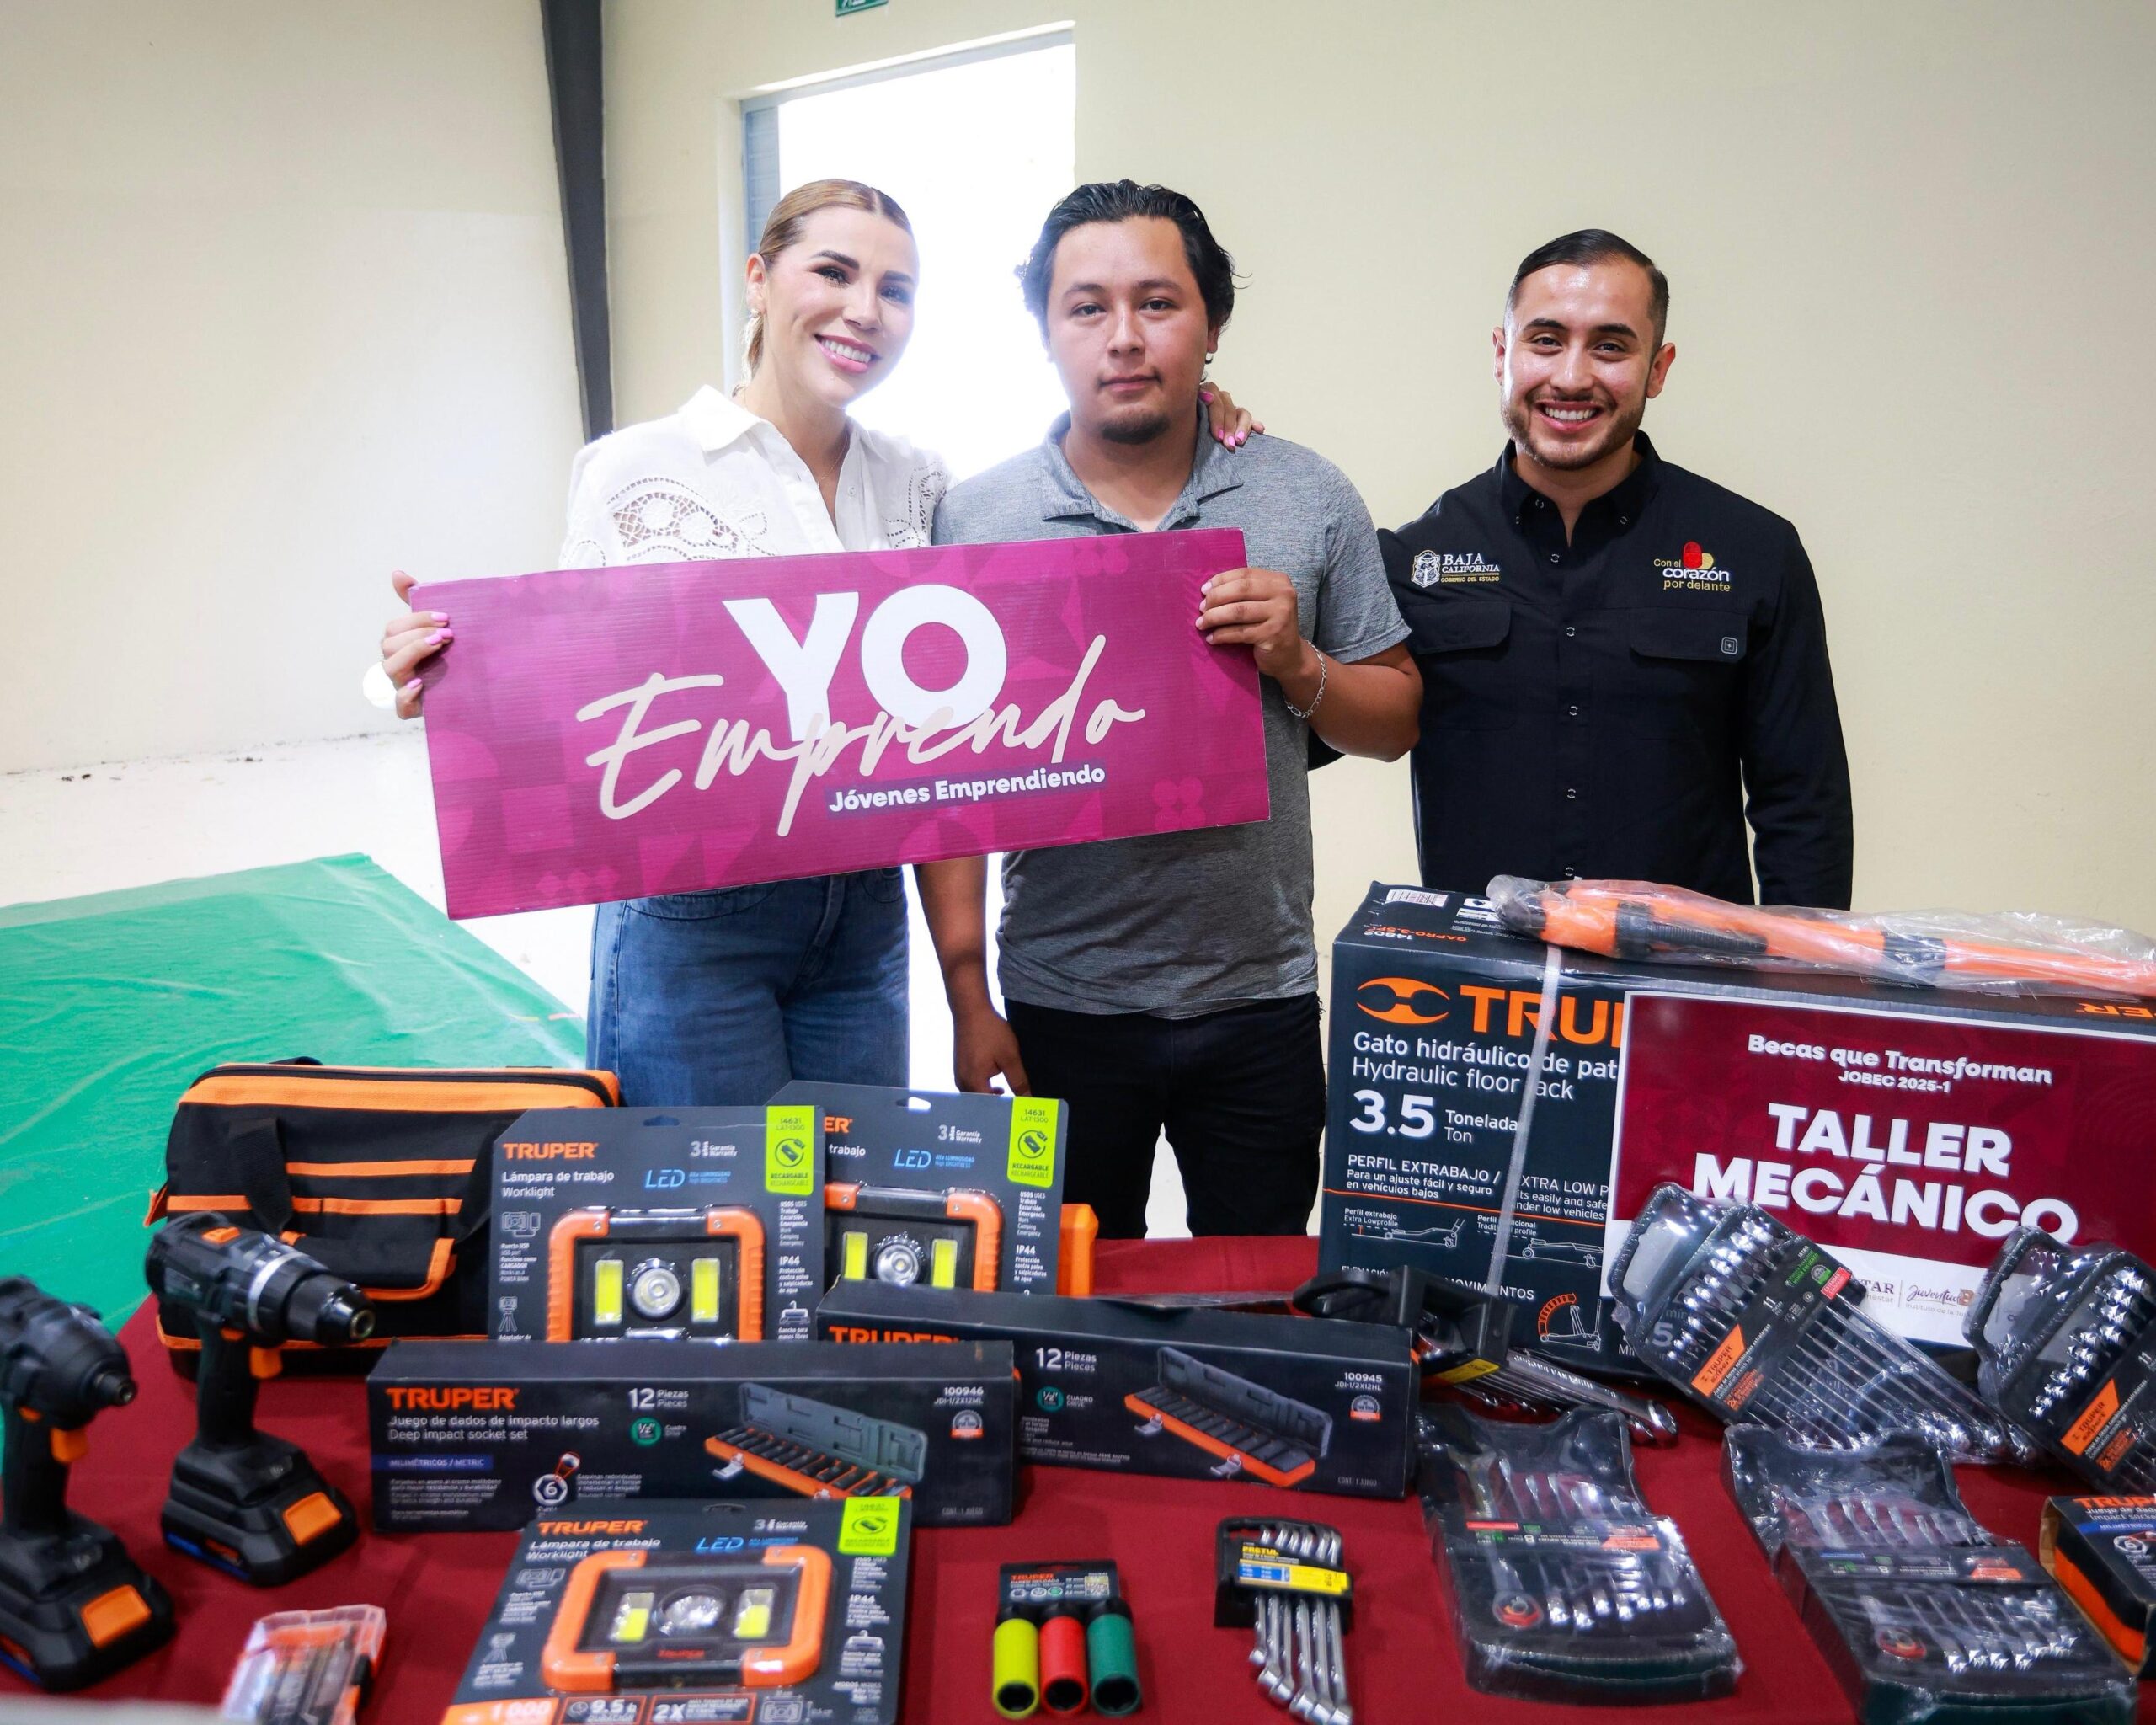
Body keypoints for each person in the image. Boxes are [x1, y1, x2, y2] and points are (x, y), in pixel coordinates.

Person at [376, 179, 1261, 1106]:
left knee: (849, 1183)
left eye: (895, 290)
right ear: (759, 280)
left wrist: (1205, 411)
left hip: (866, 916)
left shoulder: (920, 483)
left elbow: (959, 724)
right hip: (692, 920)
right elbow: (575, 694)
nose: (865, 310)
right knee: (716, 1189)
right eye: (833, 273)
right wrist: (444, 678)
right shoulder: (636, 470)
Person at [918, 180, 1421, 1239]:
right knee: (1069, 1297)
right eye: (1085, 307)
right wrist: (968, 997)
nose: (1123, 337)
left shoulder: (1303, 493)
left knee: (1258, 1293)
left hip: (1260, 997)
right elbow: (945, 785)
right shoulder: (979, 518)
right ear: (1045, 330)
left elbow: (1395, 720)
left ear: (1212, 323)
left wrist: (1297, 660)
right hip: (1060, 998)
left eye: (1157, 303)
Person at [1385, 228, 1853, 909]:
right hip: (1480, 968)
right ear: (1502, 354)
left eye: (1610, 346)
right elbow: (1301, 737)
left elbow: (1804, 804)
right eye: (1546, 340)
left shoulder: (1756, 551)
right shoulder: (1415, 559)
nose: (1572, 377)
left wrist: (1801, 967)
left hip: (1683, 968)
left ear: (1658, 369)